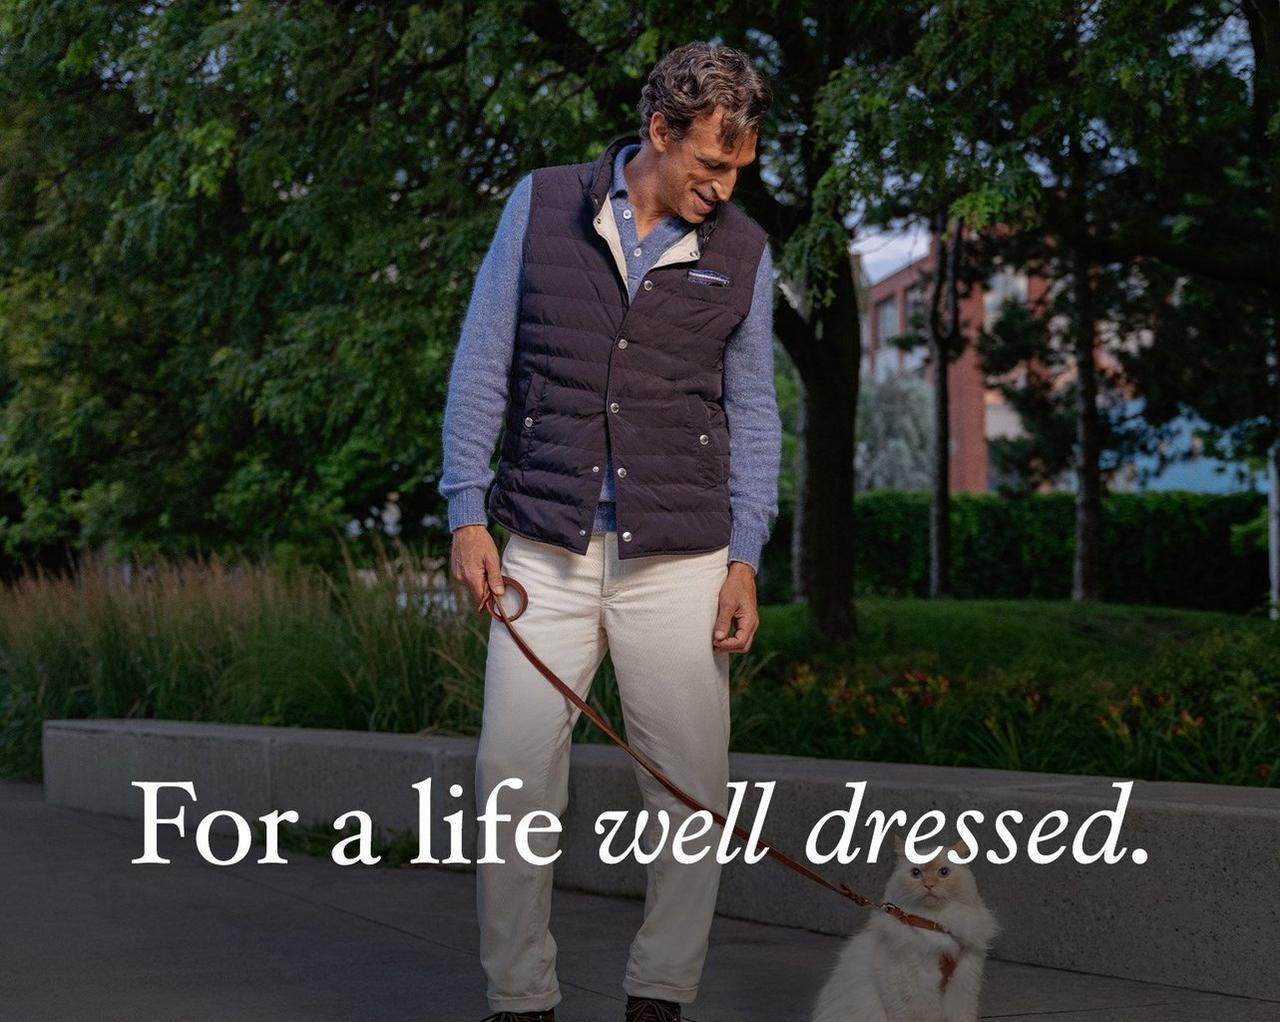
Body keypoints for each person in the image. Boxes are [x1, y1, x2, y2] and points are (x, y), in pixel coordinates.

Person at [438, 40, 781, 1022]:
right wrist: (467, 510)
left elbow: (754, 412)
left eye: (738, 168)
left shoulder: (744, 253)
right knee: (510, 778)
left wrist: (746, 557)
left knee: (688, 787)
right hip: (541, 548)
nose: (722, 186)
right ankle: (520, 998)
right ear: (657, 132)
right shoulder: (542, 205)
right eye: (709, 164)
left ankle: (659, 996)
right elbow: (482, 358)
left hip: (680, 559)